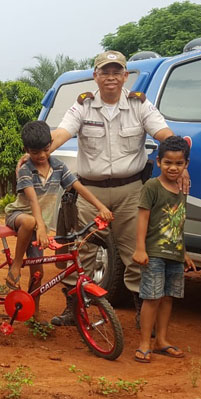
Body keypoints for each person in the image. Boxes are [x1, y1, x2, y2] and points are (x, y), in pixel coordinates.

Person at [46, 50, 185, 327]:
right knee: (81, 251)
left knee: (136, 252)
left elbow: (163, 133)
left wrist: (182, 160)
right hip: (90, 192)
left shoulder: (140, 106)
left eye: (116, 72)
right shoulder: (82, 107)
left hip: (130, 191)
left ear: (124, 76)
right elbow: (62, 132)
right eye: (104, 72)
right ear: (95, 76)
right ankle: (75, 309)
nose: (110, 77)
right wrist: (40, 153)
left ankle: (140, 313)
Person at [4, 121, 113, 319]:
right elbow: (33, 200)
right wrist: (42, 227)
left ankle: (34, 314)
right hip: (19, 216)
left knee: (38, 273)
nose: (42, 156)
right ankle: (16, 264)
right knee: (29, 222)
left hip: (39, 225)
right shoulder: (25, 169)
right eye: (36, 152)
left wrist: (101, 207)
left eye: (46, 150)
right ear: (26, 150)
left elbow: (78, 187)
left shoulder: (59, 167)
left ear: (51, 144)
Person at [132, 136, 196, 362]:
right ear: (158, 162)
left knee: (168, 297)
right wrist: (140, 248)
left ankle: (161, 340)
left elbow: (179, 222)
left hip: (175, 254)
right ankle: (144, 343)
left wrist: (184, 252)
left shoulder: (182, 189)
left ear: (186, 164)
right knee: (151, 297)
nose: (173, 167)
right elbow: (142, 218)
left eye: (179, 163)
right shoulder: (152, 186)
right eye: (168, 162)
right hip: (154, 253)